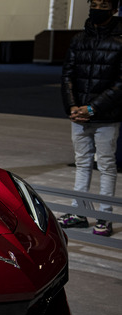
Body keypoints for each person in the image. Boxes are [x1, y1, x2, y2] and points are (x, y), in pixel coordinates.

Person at [59, 0, 122, 237]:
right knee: (82, 164)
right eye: (93, 3)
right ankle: (79, 213)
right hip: (78, 116)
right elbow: (67, 75)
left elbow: (121, 84)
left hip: (106, 116)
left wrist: (92, 109)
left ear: (114, 9)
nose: (96, 8)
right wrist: (72, 107)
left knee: (106, 166)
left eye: (103, 4)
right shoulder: (78, 39)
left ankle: (104, 217)